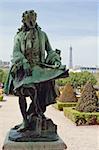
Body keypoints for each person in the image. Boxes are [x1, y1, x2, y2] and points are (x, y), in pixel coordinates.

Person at [5, 10, 68, 132]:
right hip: (24, 70)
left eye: (34, 19)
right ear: (24, 21)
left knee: (43, 85)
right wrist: (23, 62)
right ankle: (26, 119)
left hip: (39, 68)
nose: (32, 22)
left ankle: (36, 112)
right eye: (29, 20)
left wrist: (55, 60)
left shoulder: (43, 35)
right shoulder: (18, 37)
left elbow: (49, 51)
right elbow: (16, 52)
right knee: (23, 88)